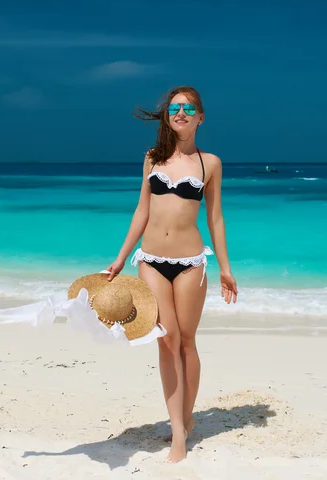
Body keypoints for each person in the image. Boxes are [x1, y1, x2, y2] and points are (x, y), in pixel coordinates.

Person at [105, 86, 238, 464]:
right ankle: (178, 431)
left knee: (186, 342)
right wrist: (120, 258)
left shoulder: (209, 163)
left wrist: (226, 269)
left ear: (200, 117)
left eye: (189, 108)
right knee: (166, 339)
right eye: (175, 107)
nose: (181, 112)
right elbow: (141, 211)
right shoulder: (152, 158)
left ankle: (187, 417)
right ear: (168, 116)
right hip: (150, 260)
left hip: (191, 262)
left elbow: (215, 218)